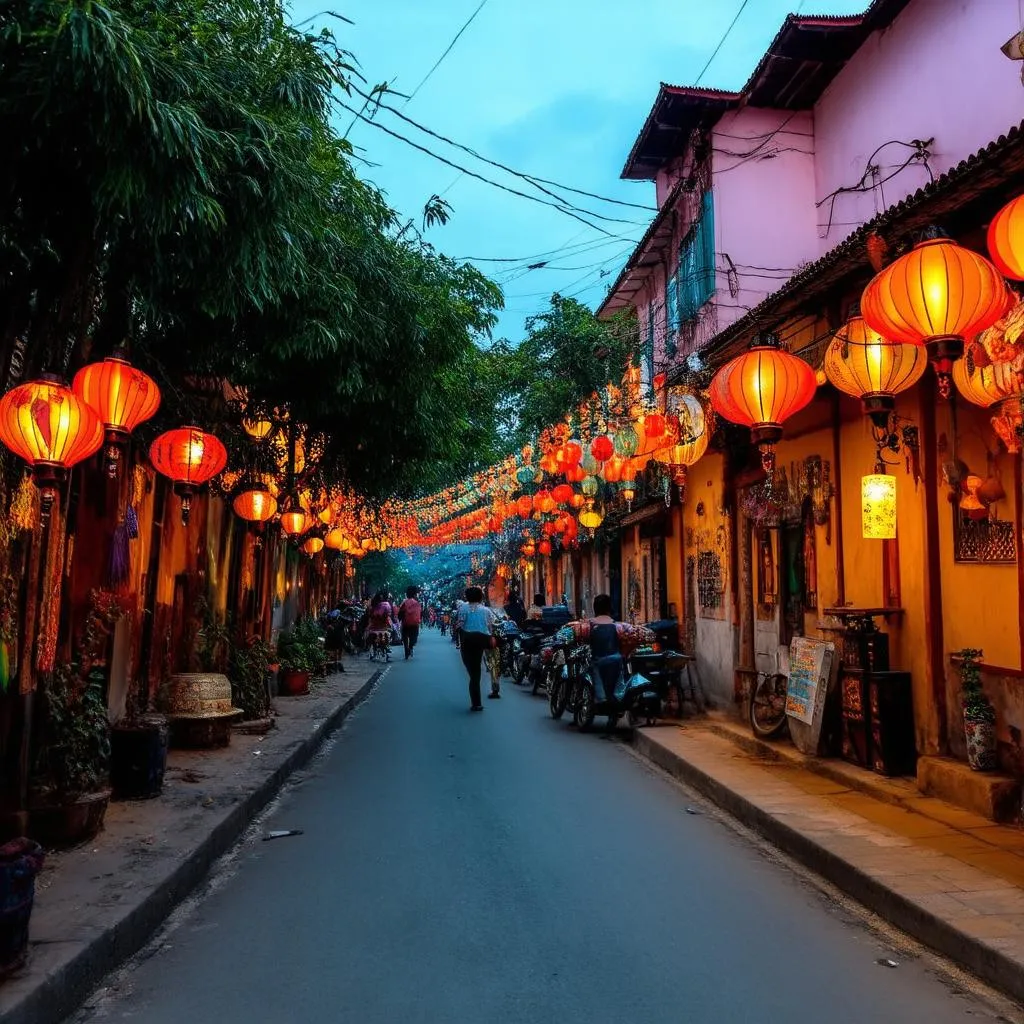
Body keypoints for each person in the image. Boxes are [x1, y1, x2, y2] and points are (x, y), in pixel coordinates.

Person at [565, 594, 656, 701]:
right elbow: (638, 636)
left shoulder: (587, 626)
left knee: (592, 670)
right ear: (609, 609)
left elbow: (572, 636)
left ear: (595, 609)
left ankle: (600, 698)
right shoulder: (620, 626)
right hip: (617, 661)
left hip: (598, 661)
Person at [456, 586, 495, 711]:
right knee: (476, 670)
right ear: (481, 597)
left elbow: (460, 625)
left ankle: (476, 702)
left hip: (467, 641)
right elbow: (490, 627)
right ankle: (476, 701)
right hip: (482, 640)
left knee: (473, 672)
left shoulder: (463, 608)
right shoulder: (486, 610)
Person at [398, 586, 422, 660]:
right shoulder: (417, 603)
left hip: (405, 623)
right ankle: (410, 647)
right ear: (415, 594)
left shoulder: (404, 602)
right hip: (415, 624)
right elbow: (420, 614)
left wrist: (399, 619)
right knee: (413, 638)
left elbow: (400, 612)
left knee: (404, 637)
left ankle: (407, 650)